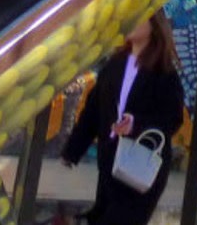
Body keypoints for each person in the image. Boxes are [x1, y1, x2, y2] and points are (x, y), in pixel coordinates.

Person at [62, 12, 187, 225]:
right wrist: (73, 150)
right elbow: (93, 110)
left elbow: (172, 117)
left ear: (154, 24)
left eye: (140, 15)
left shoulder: (163, 71)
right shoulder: (115, 64)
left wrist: (135, 125)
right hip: (110, 162)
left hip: (141, 168)